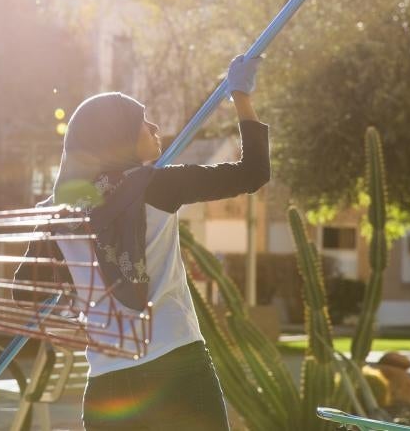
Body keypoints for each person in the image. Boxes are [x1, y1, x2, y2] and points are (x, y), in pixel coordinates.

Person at [24, 54, 267, 430]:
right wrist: (240, 95)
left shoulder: (56, 219)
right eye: (141, 122)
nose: (154, 126)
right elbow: (253, 172)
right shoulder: (155, 185)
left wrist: (80, 278)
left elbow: (26, 295)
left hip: (109, 384)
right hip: (177, 370)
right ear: (117, 139)